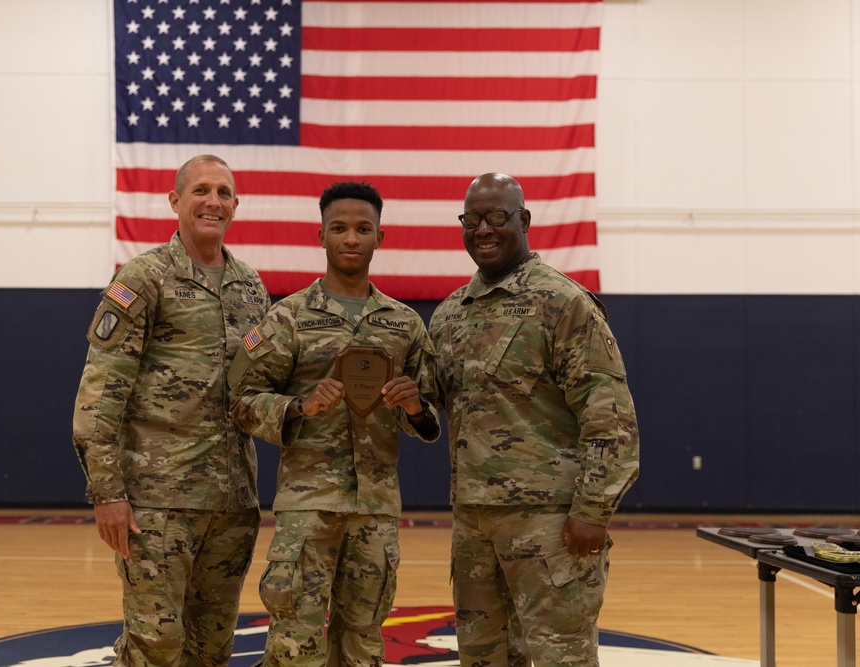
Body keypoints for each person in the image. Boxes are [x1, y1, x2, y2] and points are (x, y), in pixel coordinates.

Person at [427, 173, 639, 667]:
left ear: (523, 220)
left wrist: (593, 511)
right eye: (472, 219)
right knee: (483, 659)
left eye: (496, 216)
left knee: (559, 658)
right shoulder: (450, 314)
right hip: (473, 526)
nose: (483, 229)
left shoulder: (563, 303)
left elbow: (611, 417)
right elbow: (429, 406)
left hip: (552, 527)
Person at [227, 181, 441, 667]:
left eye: (363, 229)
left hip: (376, 508)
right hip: (309, 507)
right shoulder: (287, 318)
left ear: (379, 238)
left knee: (363, 643)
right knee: (295, 644)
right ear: (320, 235)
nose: (350, 238)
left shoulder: (404, 324)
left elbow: (428, 412)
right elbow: (240, 400)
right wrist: (299, 406)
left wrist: (413, 406)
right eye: (339, 228)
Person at [72, 154, 270, 666]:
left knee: (212, 648)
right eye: (201, 190)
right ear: (175, 201)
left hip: (232, 503)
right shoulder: (142, 279)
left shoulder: (251, 286)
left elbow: (262, 388)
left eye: (224, 193)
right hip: (157, 503)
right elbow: (99, 395)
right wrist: (107, 493)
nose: (214, 202)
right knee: (155, 646)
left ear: (236, 205)